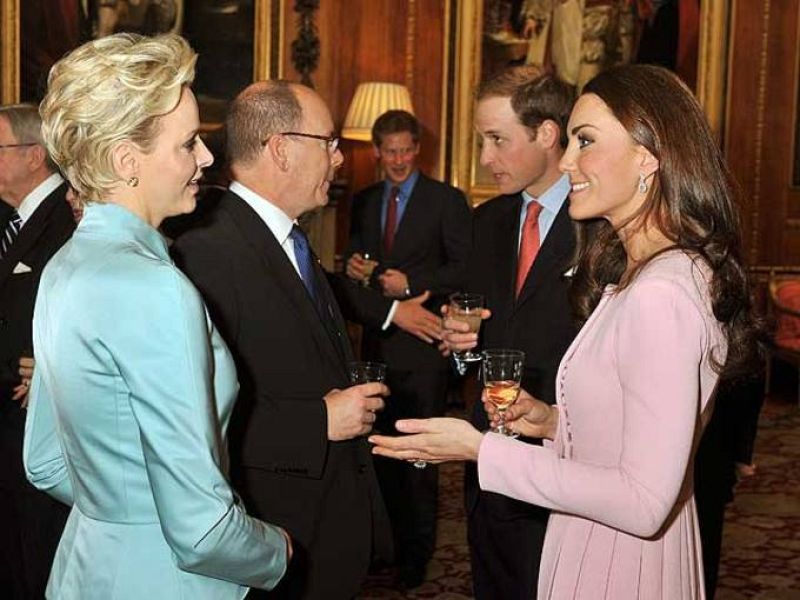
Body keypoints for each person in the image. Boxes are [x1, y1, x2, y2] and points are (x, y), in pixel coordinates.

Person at [370, 63, 762, 599]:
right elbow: (633, 430)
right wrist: (555, 421)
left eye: (585, 142)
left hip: (618, 557)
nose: (569, 161)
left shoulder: (660, 291)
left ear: (647, 157)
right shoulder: (643, 270)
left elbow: (644, 501)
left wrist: (481, 450)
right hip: (593, 530)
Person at [24, 33, 290, 599]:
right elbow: (202, 531)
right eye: (188, 143)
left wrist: (126, 513)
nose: (206, 158)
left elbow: (45, 462)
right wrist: (276, 550)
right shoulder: (154, 287)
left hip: (86, 568)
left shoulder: (64, 266)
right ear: (127, 160)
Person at [171, 80, 392, 600]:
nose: (338, 159)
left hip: (322, 527)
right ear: (282, 149)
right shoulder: (205, 251)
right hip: (273, 536)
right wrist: (320, 421)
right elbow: (191, 420)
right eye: (329, 143)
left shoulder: (285, 236)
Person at [444, 65, 577, 600]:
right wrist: (460, 346)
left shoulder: (602, 223)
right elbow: (477, 336)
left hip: (568, 460)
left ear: (547, 134)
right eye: (482, 140)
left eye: (497, 140)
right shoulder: (487, 221)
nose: (484, 159)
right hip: (490, 461)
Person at [342, 109, 471, 589]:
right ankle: (387, 548)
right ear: (376, 152)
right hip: (377, 347)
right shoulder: (364, 200)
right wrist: (364, 270)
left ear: (418, 149)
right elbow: (355, 269)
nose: (397, 160)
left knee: (419, 458)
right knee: (377, 454)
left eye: (405, 150)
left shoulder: (447, 201)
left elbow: (463, 269)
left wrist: (412, 282)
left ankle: (416, 557)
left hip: (423, 350)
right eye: (388, 151)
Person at [0, 104, 74, 599]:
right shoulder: (10, 220)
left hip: (37, 434)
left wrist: (51, 360)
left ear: (35, 155)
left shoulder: (68, 223)